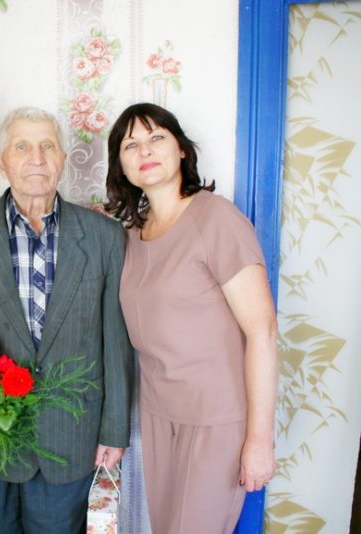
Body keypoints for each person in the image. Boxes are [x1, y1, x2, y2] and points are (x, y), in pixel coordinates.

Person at [0, 106, 134, 534]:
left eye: (47, 146)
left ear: (63, 159)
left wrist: (114, 430)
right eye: (21, 147)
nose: (36, 158)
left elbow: (116, 342)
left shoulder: (105, 236)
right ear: (0, 160)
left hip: (71, 437)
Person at [105, 103, 278, 534]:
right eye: (131, 145)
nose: (145, 150)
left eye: (156, 138)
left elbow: (262, 330)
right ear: (121, 165)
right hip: (158, 413)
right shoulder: (132, 235)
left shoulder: (216, 217)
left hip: (216, 417)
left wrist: (260, 439)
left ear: (181, 149)